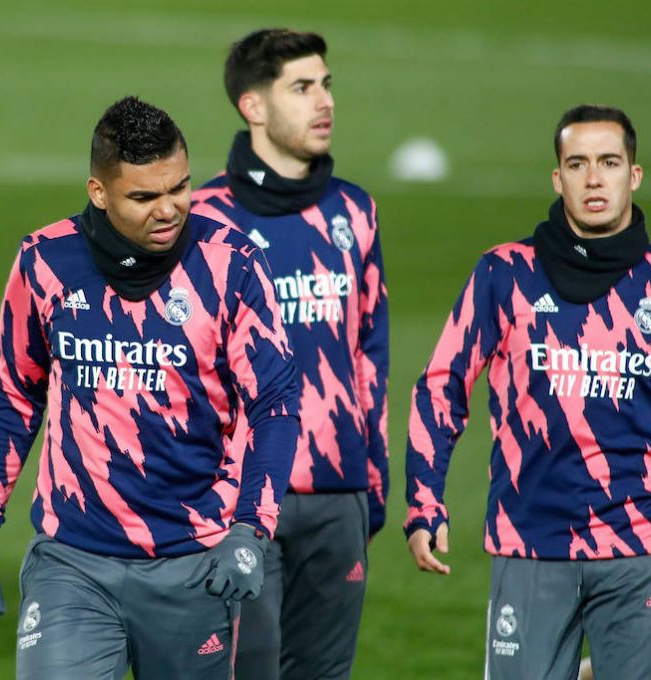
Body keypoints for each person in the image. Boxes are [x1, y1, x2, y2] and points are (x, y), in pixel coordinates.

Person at [0, 96, 301, 679]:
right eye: (144, 196)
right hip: (71, 564)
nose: (169, 209)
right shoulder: (44, 261)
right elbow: (13, 395)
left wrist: (250, 530)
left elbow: (276, 406)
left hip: (195, 563)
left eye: (179, 187)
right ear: (98, 192)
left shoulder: (231, 265)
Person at [405, 104, 651, 680]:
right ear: (558, 179)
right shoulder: (503, 275)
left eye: (609, 162)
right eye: (577, 164)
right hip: (530, 545)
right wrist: (425, 499)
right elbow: (441, 385)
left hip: (640, 548)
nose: (593, 178)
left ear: (634, 175)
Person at [191, 28, 389, 680]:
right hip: (241, 499)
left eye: (326, 84)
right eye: (301, 88)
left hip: (340, 493)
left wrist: (373, 478)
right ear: (253, 106)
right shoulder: (203, 221)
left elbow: (370, 350)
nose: (323, 101)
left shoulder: (355, 212)